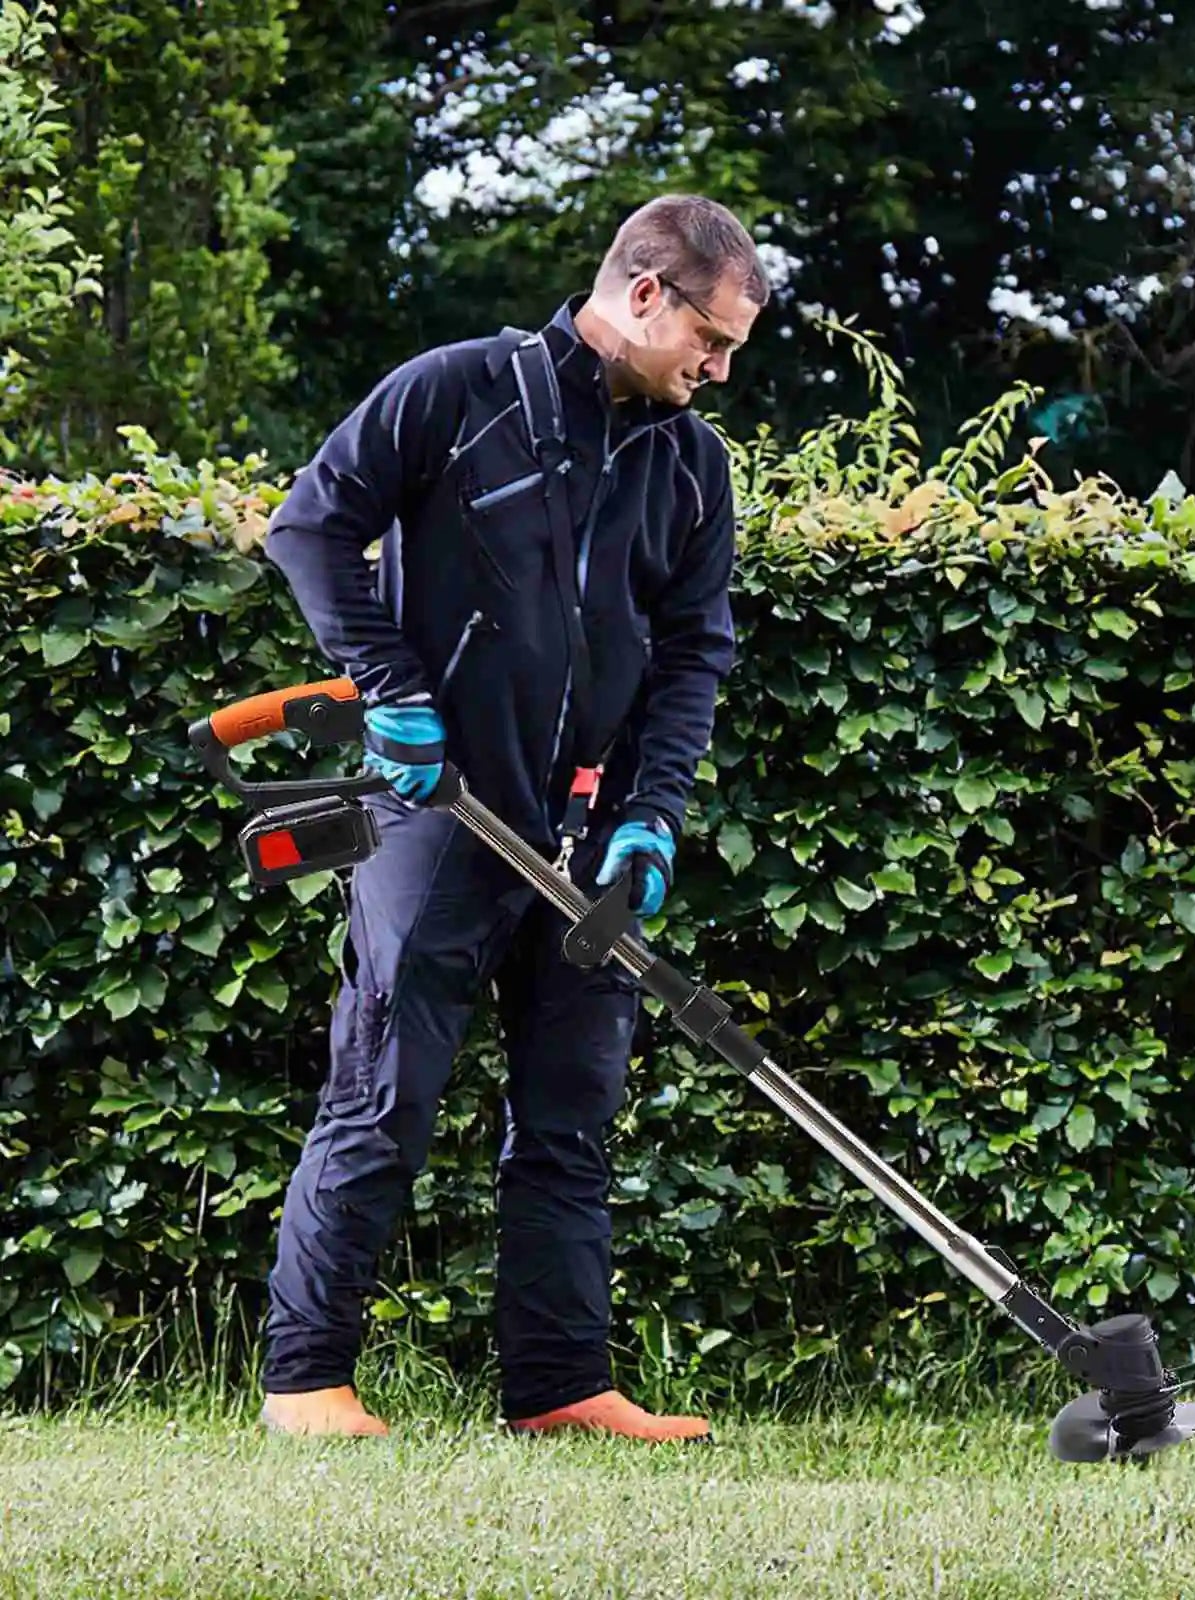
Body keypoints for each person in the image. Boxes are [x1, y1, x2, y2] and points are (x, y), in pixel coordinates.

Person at [254, 194, 769, 1441]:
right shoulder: (457, 390)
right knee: (387, 1093)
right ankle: (305, 1382)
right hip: (441, 811)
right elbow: (311, 528)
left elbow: (691, 653)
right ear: (645, 293)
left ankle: (559, 1385)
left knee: (571, 1111)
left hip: (588, 828)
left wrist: (651, 816)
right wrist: (393, 697)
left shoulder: (690, 464)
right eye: (716, 336)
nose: (721, 365)